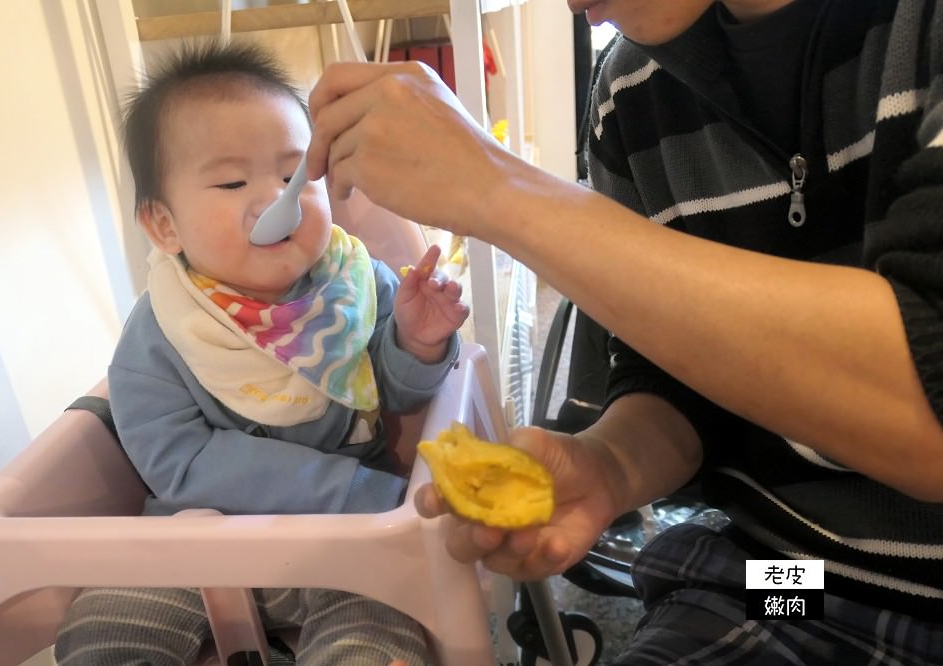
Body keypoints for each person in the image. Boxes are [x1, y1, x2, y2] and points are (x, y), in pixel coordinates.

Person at [307, 0, 943, 663]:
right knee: (720, 591)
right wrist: (610, 464)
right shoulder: (628, 92)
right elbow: (672, 379)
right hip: (794, 579)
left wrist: (497, 187)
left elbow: (929, 401)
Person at [54, 41, 467, 666]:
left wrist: (416, 340)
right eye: (231, 180)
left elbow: (397, 401)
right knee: (101, 628)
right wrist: (352, 489)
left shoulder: (357, 284)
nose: (276, 200)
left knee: (381, 634)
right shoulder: (166, 325)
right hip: (193, 542)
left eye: (293, 175)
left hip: (342, 548)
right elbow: (179, 461)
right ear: (165, 225)